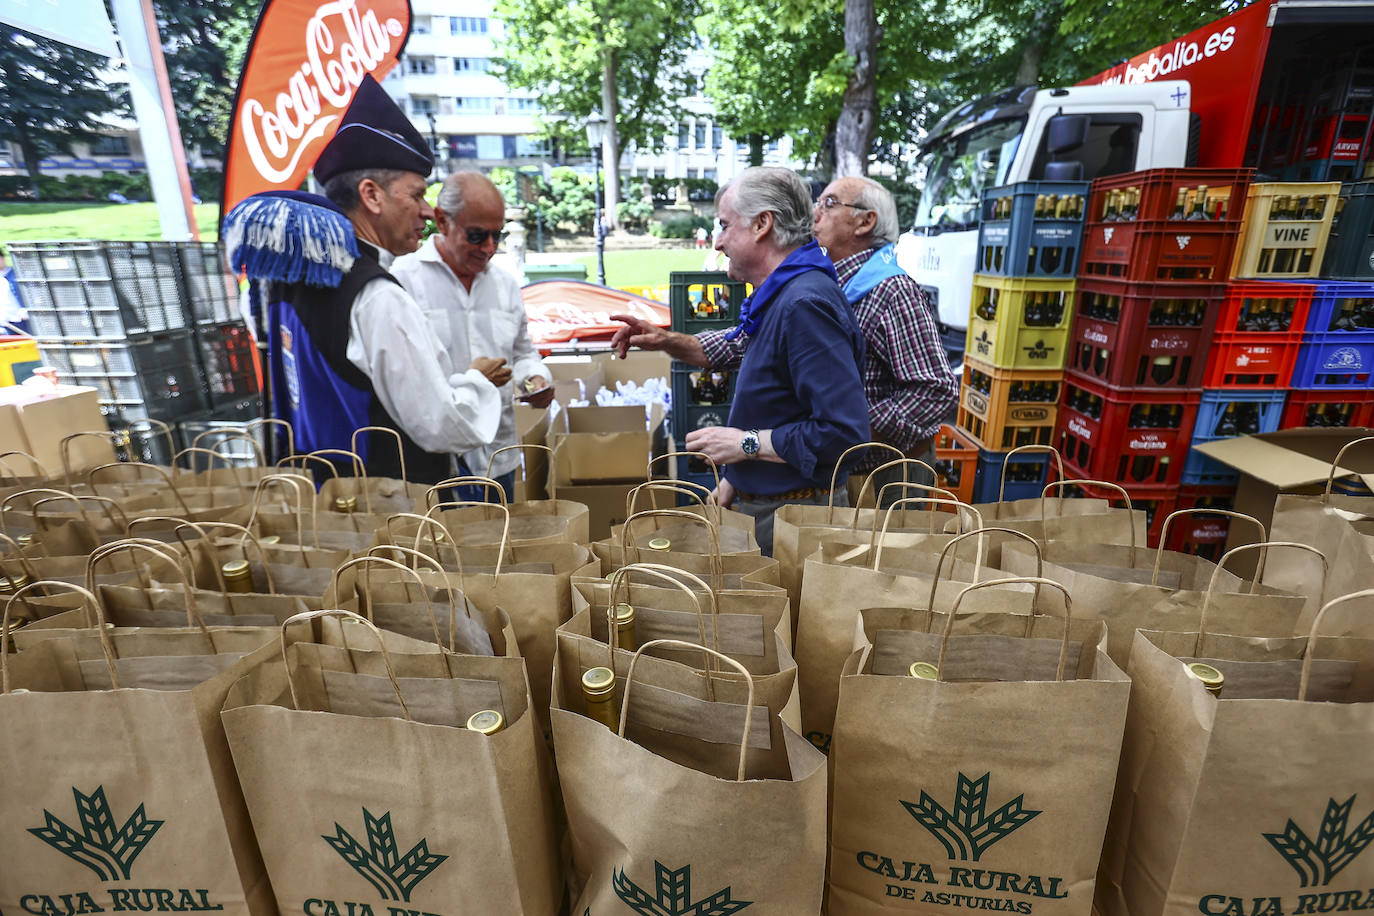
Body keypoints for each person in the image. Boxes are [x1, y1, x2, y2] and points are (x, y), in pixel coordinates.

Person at [610, 166, 870, 554]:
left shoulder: (804, 304)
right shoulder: (785, 294)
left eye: (724, 225)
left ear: (762, 224)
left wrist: (745, 445)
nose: (717, 242)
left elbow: (844, 433)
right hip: (779, 508)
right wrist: (739, 476)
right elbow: (779, 397)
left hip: (794, 519)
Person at [261, 75, 501, 484]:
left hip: (320, 496)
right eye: (416, 195)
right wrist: (477, 380)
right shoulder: (375, 296)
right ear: (371, 195)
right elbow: (441, 423)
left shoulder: (286, 277)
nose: (428, 212)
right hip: (388, 510)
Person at [392, 171, 554, 501]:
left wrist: (535, 379)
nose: (490, 248)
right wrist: (475, 380)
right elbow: (403, 383)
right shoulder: (403, 281)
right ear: (442, 221)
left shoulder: (505, 285)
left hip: (498, 457)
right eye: (478, 235)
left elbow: (523, 352)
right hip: (437, 464)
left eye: (498, 235)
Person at [812, 176, 959, 507]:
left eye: (830, 203)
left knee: (886, 558)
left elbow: (936, 390)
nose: (816, 212)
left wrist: (851, 426)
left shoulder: (892, 290)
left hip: (886, 476)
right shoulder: (831, 282)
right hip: (852, 470)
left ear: (866, 221)